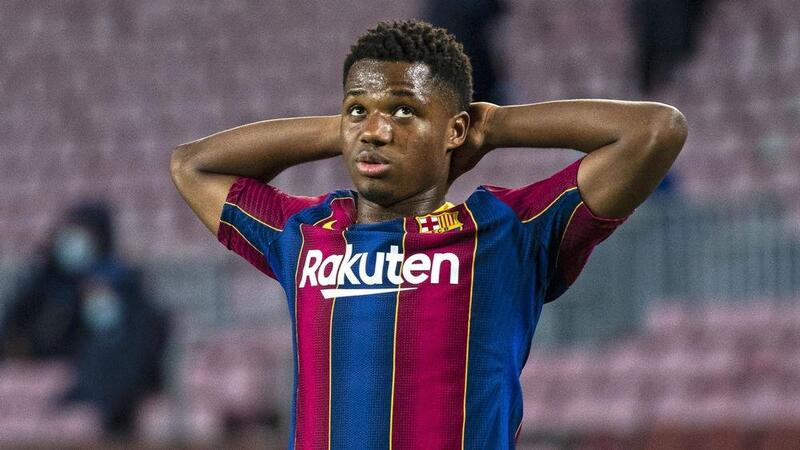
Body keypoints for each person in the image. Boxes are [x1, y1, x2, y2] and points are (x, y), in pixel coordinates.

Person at [170, 20, 687, 450]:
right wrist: (345, 129)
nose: (376, 131)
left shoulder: (508, 232)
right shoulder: (305, 233)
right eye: (357, 110)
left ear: (455, 130)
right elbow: (192, 164)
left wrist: (495, 126)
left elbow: (654, 131)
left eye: (404, 110)